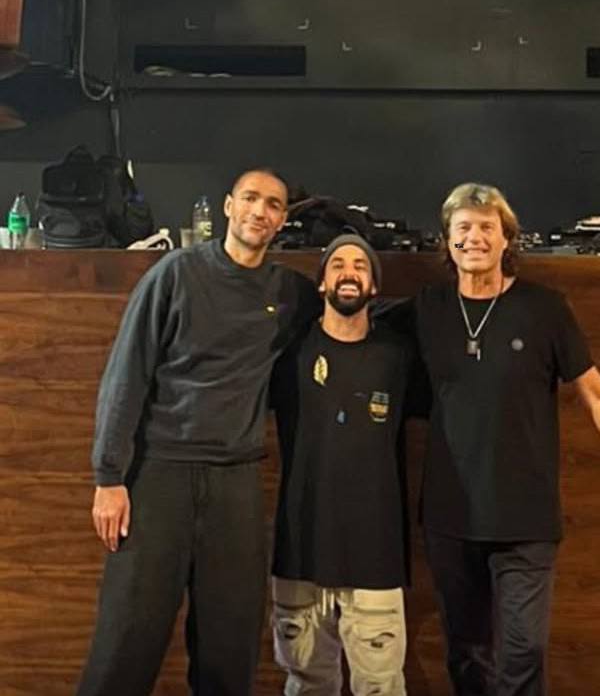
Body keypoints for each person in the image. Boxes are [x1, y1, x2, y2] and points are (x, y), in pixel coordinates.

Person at [410, 183, 600, 696]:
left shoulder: (544, 309)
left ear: (507, 239)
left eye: (487, 227)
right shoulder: (426, 309)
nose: (475, 237)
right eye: (463, 227)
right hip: (450, 516)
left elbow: (597, 395)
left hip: (525, 519)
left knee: (524, 650)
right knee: (466, 651)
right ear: (447, 240)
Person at [76, 168, 321, 696]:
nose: (260, 211)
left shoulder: (289, 293)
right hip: (159, 476)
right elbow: (127, 374)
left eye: (273, 205)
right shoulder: (176, 274)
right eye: (251, 199)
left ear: (282, 221)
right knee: (127, 638)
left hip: (236, 482)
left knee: (230, 645)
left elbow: (350, 315)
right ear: (228, 207)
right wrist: (109, 476)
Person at [270, 234, 414, 696]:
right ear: (321, 283)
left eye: (360, 266)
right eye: (337, 265)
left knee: (380, 685)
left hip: (375, 552)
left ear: (374, 287)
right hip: (300, 548)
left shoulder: (399, 357)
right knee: (307, 683)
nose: (348, 273)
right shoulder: (288, 353)